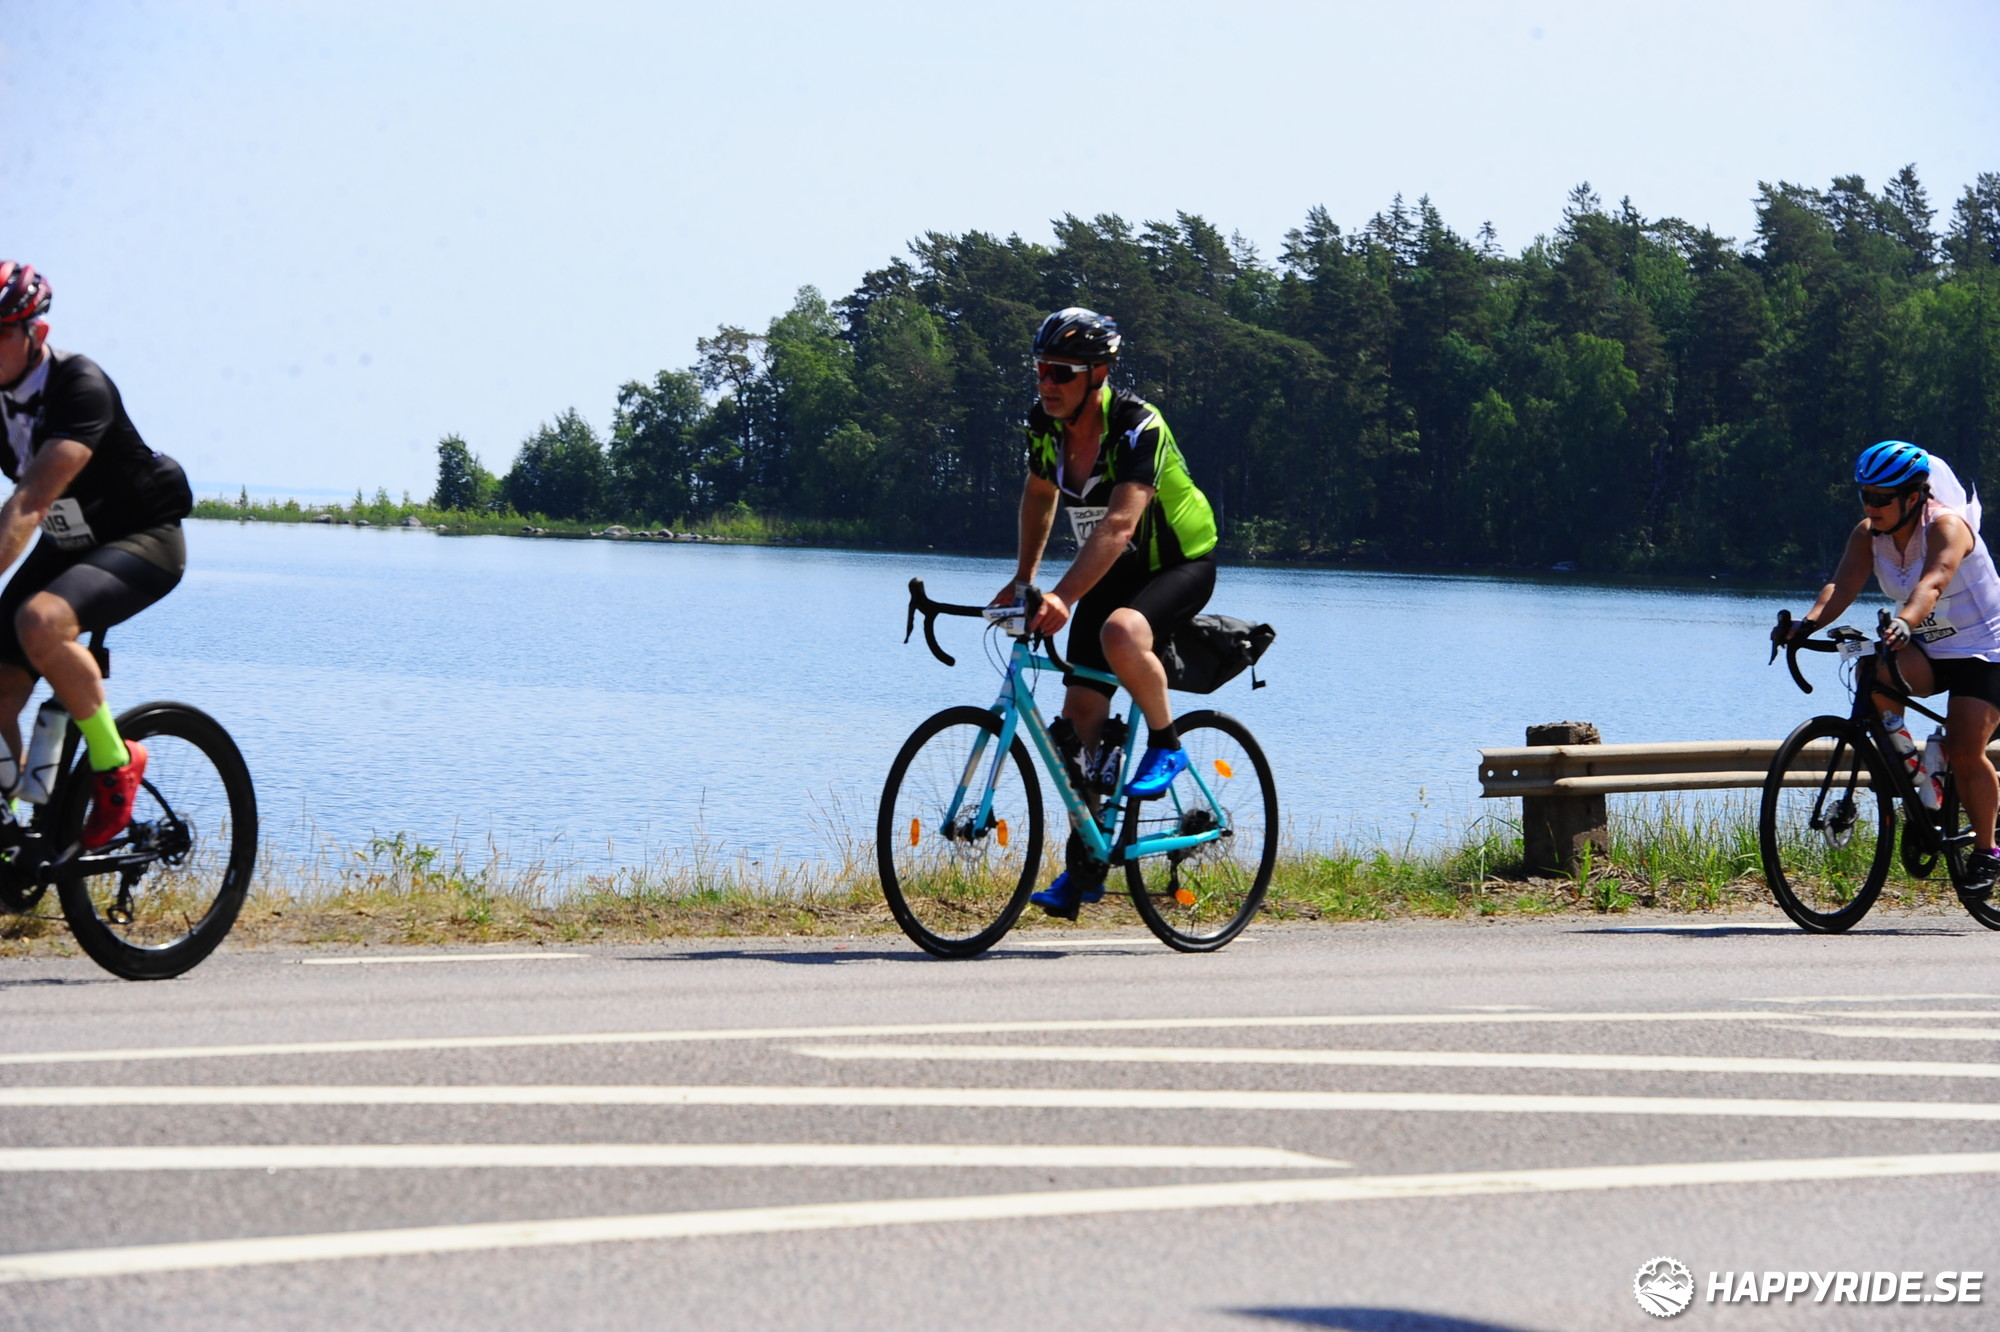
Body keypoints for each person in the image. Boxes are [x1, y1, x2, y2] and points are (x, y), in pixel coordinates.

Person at [993, 307, 1219, 918]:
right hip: (1111, 570)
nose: (1047, 382)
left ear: (1098, 374)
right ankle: (1085, 866)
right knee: (1079, 729)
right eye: (1041, 369)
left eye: (1061, 372)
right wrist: (1025, 581)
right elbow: (1040, 493)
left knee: (1121, 631)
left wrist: (1063, 597)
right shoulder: (1044, 425)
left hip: (1178, 564)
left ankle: (1167, 744)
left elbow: (1119, 525)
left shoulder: (1138, 427)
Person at [0, 262, 193, 847]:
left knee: (41, 621)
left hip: (141, 538)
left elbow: (31, 500)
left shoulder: (79, 385)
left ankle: (116, 761)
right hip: (69, 542)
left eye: (0, 333)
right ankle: (16, 836)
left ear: (37, 333)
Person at [1783, 440, 2000, 897]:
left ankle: (1986, 850)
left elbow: (1933, 582)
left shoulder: (1947, 526)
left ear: (1914, 496)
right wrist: (1807, 624)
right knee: (1872, 668)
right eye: (1866, 495)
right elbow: (1841, 586)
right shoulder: (1869, 534)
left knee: (1966, 747)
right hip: (1930, 647)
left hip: (1986, 649)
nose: (1872, 506)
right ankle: (1920, 776)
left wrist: (1904, 621)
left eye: (1882, 498)